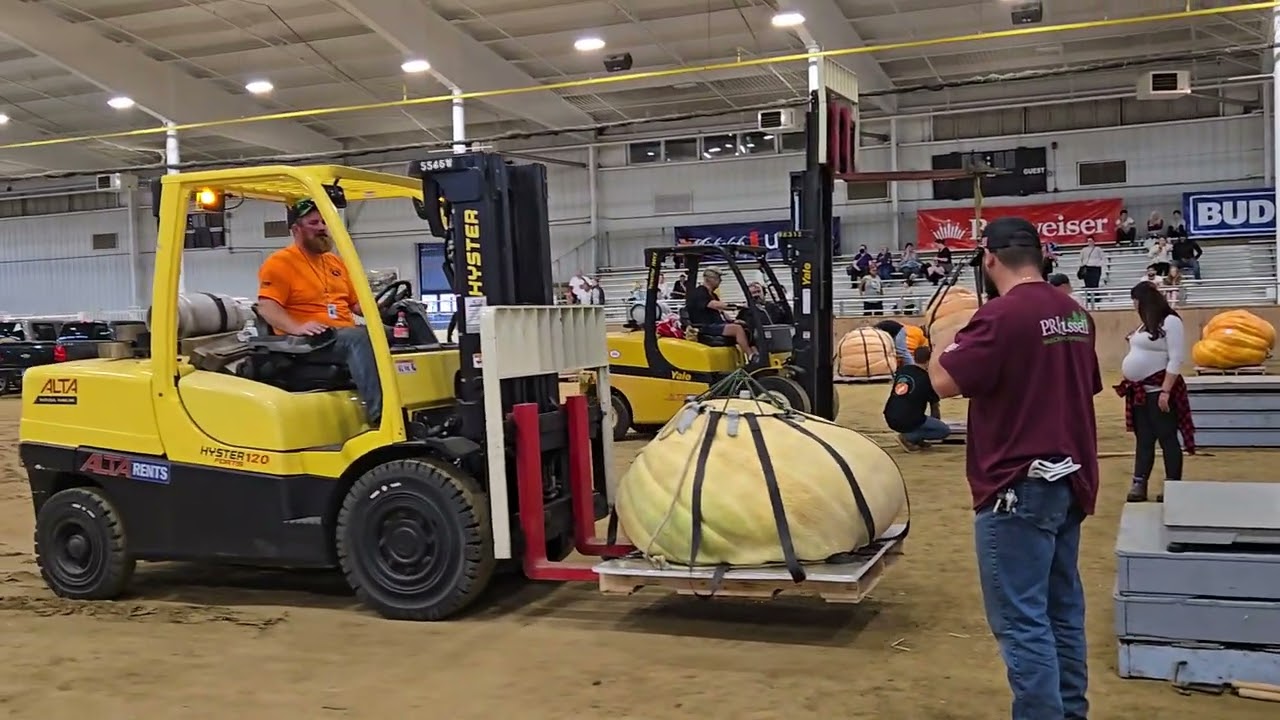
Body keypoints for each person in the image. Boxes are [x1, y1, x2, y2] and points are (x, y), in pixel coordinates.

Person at [927, 217, 1102, 720]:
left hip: (1015, 482)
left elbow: (941, 380)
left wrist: (943, 331)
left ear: (989, 260)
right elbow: (1079, 384)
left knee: (1022, 619)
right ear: (1041, 256)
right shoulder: (1074, 313)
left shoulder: (1001, 317)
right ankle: (1070, 712)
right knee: (1062, 612)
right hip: (1070, 476)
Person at [256, 197, 382, 426]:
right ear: (296, 229)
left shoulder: (335, 263)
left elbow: (356, 305)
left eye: (324, 222)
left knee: (398, 333)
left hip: (339, 335)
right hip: (306, 342)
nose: (323, 227)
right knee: (357, 339)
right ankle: (381, 416)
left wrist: (389, 311)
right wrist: (298, 327)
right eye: (314, 223)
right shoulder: (280, 263)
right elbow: (267, 306)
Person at [1115, 282, 1195, 503]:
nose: (1134, 305)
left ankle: (1173, 483)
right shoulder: (1144, 326)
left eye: (1135, 300)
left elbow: (1176, 357)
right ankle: (1140, 482)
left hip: (1159, 389)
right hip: (1140, 392)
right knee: (1144, 439)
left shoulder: (1170, 321)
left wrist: (1166, 391)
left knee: (1167, 437)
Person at [884, 345, 949, 450]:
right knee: (943, 430)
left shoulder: (903, 370)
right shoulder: (928, 379)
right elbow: (935, 408)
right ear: (929, 360)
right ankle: (910, 437)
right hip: (909, 419)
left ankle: (916, 439)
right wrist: (934, 423)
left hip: (890, 415)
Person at [685, 268, 756, 361]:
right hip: (705, 327)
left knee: (746, 326)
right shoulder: (700, 293)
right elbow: (714, 305)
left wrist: (733, 320)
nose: (721, 281)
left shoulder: (713, 295)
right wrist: (737, 306)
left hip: (716, 324)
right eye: (718, 278)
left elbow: (722, 313)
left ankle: (756, 353)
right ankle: (751, 357)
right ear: (708, 279)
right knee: (737, 329)